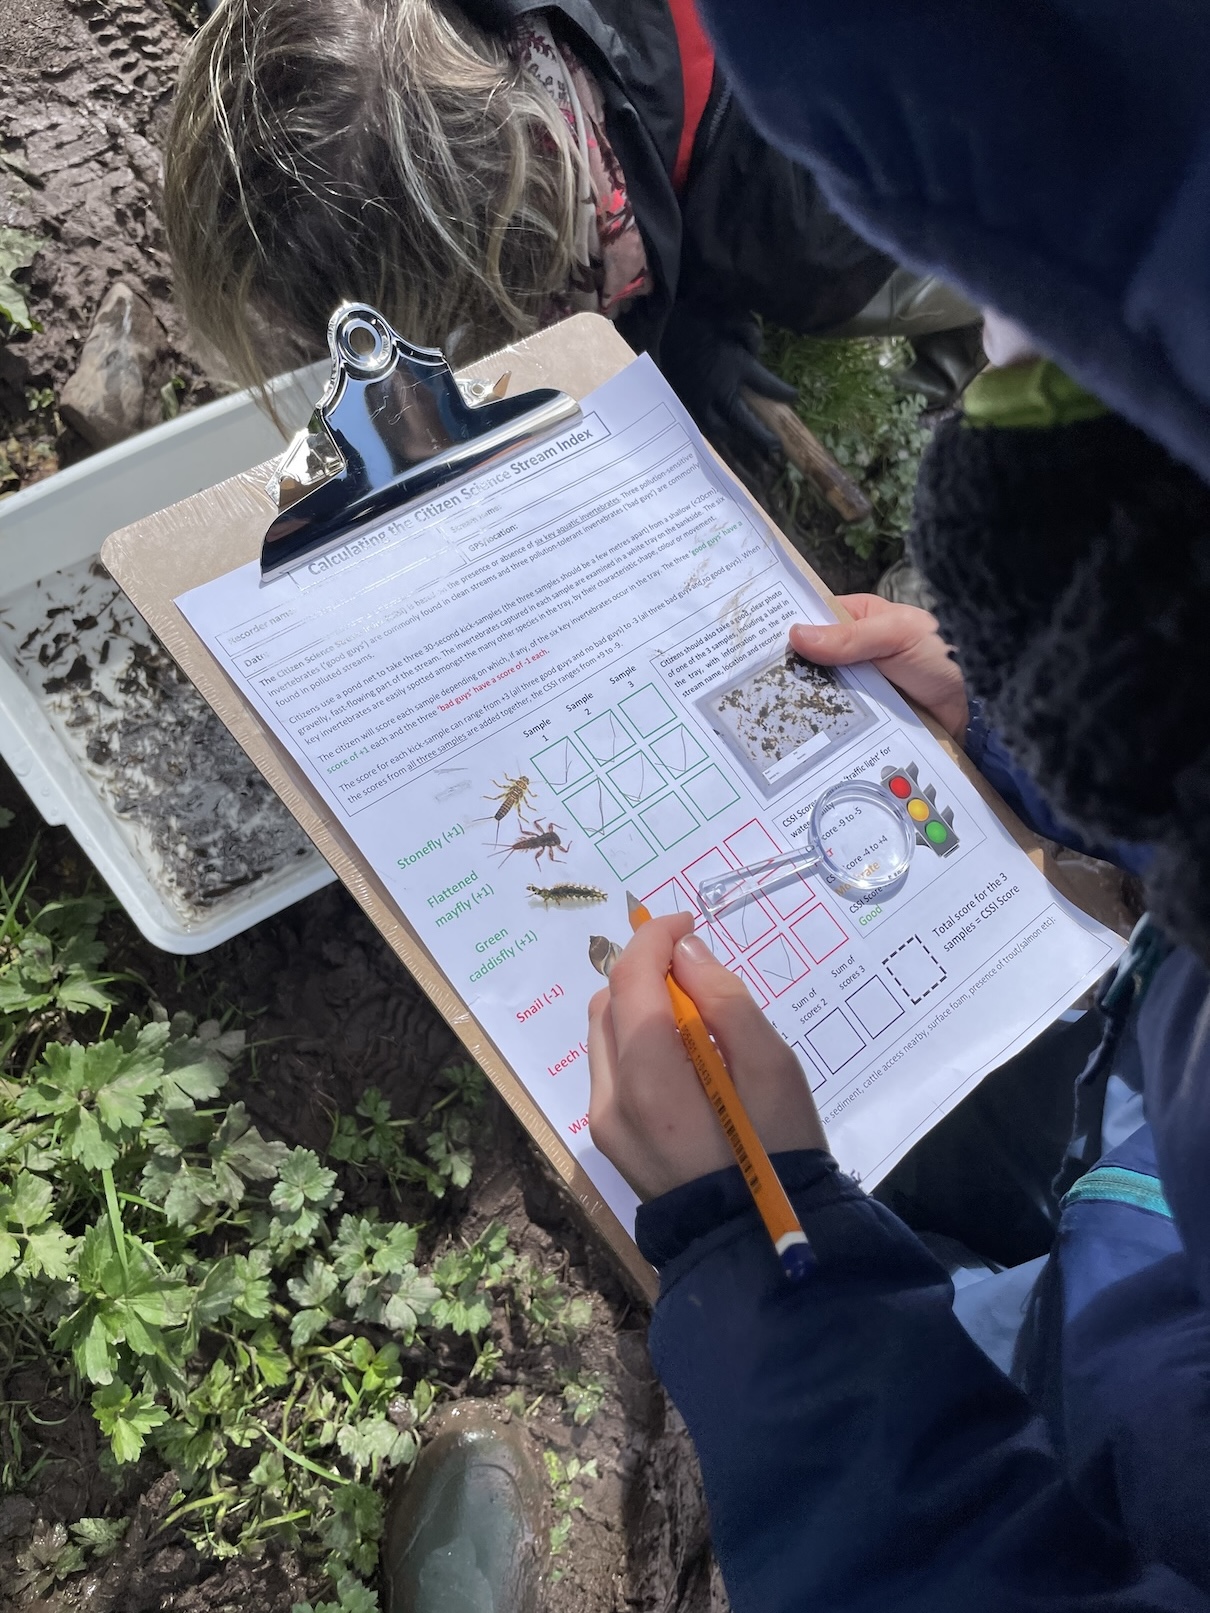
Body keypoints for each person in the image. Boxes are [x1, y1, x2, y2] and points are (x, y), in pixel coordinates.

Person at [583, 2, 1210, 1607]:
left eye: (1049, 349)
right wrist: (1045, 749)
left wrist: (776, 1275)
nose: (982, 359)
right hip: (1133, 1235)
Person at [165, 0, 978, 461]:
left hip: (965, 97)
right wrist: (686, 325)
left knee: (967, 279)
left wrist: (693, 296)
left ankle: (961, 373)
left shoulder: (815, 232)